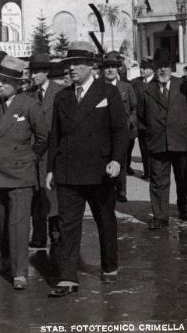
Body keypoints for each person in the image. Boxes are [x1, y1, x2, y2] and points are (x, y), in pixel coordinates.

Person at [46, 42, 128, 297]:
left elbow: (120, 130)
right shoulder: (62, 97)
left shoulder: (107, 93)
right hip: (69, 171)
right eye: (68, 65)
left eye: (76, 64)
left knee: (105, 220)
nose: (71, 69)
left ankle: (109, 265)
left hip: (100, 171)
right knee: (68, 224)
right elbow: (55, 137)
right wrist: (50, 169)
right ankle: (68, 276)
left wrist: (116, 160)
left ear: (91, 66)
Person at [0, 56, 45, 290]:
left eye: (5, 80)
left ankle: (19, 271)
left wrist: (28, 157)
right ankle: (7, 254)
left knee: (19, 224)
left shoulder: (29, 104)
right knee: (1, 222)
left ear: (17, 83)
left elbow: (43, 136)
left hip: (20, 173)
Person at [137, 48, 187, 229]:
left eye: (166, 67)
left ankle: (182, 206)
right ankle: (160, 216)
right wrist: (150, 133)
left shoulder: (183, 86)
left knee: (182, 178)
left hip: (180, 140)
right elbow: (141, 116)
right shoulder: (146, 89)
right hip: (157, 142)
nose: (163, 70)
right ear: (154, 68)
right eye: (159, 67)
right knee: (158, 181)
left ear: (172, 68)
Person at [26, 53, 63, 251]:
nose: (33, 75)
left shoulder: (60, 92)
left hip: (52, 152)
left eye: (37, 71)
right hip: (33, 153)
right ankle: (38, 235)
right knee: (36, 195)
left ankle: (56, 233)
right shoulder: (28, 95)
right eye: (32, 71)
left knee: (52, 194)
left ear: (46, 72)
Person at [100, 51, 138, 203]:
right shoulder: (99, 87)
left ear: (118, 70)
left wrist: (129, 122)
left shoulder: (126, 87)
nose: (110, 70)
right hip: (103, 131)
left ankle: (121, 191)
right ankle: (107, 190)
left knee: (120, 160)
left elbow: (135, 107)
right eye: (107, 67)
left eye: (113, 67)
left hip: (122, 132)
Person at [130, 58, 154, 179]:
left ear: (151, 69)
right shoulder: (135, 83)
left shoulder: (157, 82)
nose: (142, 70)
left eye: (144, 68)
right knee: (143, 149)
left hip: (155, 123)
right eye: (141, 68)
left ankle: (155, 173)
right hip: (140, 123)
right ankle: (147, 172)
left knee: (154, 149)